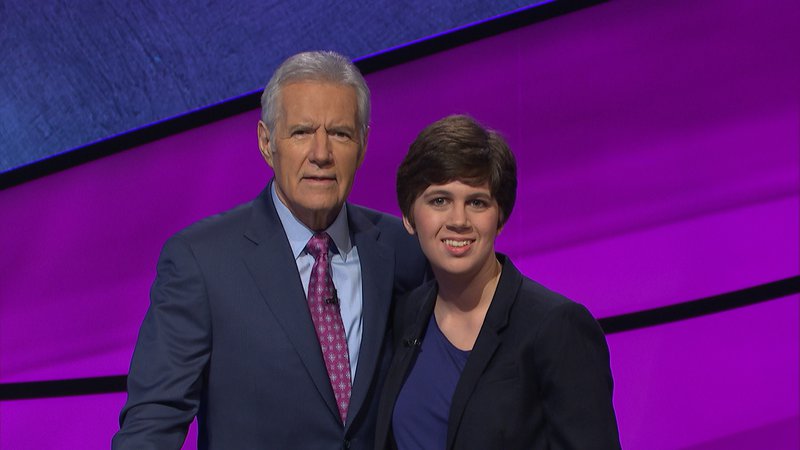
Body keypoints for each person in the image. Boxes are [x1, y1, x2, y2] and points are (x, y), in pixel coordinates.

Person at [113, 51, 428, 449]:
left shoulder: (404, 250)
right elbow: (153, 423)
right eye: (301, 132)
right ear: (266, 143)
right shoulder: (202, 261)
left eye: (340, 134)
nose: (321, 153)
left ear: (363, 144)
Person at [374, 115, 621, 450]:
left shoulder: (556, 327)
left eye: (477, 202)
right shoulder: (404, 315)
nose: (458, 220)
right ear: (408, 217)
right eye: (439, 200)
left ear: (500, 217)